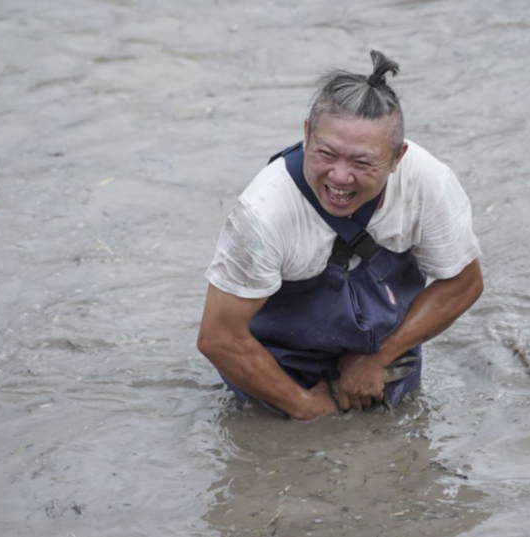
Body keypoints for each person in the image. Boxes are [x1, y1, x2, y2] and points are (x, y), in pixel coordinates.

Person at [197, 51, 484, 421]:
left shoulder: (427, 181)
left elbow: (464, 282)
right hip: (279, 368)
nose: (340, 177)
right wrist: (304, 406)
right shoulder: (262, 213)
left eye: (363, 163)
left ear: (398, 157)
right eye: (326, 154)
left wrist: (377, 359)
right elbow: (218, 338)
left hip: (385, 361)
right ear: (306, 134)